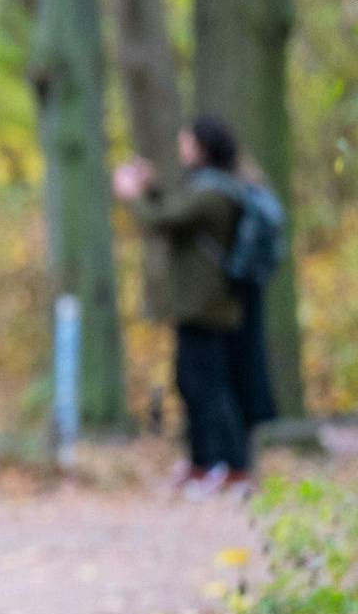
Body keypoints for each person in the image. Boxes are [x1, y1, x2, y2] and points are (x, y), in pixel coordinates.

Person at [114, 117, 278, 496]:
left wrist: (132, 194)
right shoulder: (212, 189)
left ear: (203, 147)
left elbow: (164, 221)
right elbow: (176, 216)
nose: (181, 149)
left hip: (208, 306)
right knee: (192, 383)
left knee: (210, 387)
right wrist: (151, 188)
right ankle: (205, 463)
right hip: (199, 305)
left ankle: (233, 467)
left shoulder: (214, 194)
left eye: (186, 142)